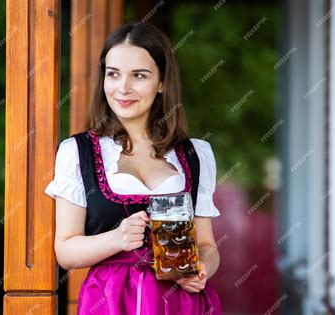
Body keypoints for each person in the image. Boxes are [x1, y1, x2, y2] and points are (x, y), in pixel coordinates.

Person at [45, 22, 222, 315]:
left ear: (162, 82)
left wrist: (202, 266)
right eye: (113, 74)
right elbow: (65, 251)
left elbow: (206, 244)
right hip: (111, 304)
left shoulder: (196, 154)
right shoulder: (78, 152)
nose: (122, 88)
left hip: (180, 304)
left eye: (139, 76)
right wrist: (116, 238)